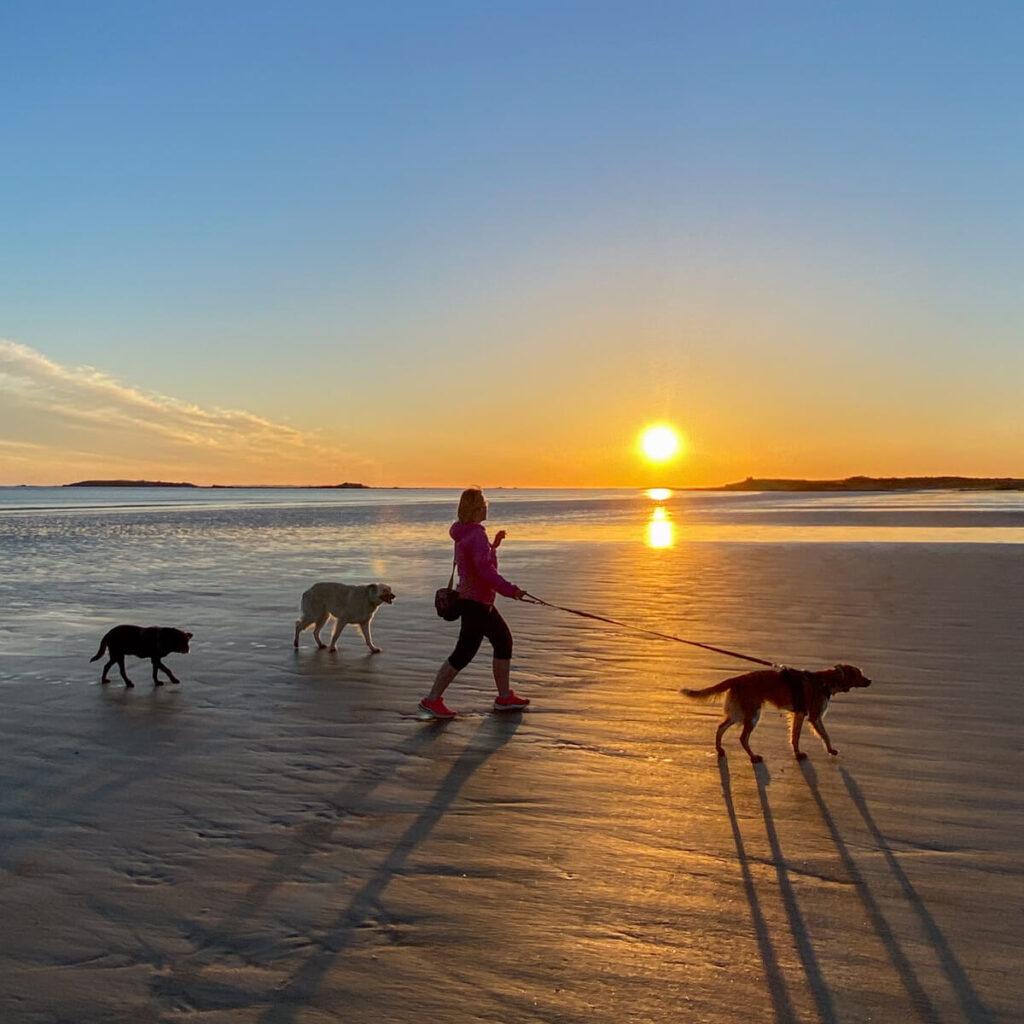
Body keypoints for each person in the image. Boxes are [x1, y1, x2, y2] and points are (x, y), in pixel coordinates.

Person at [420, 487, 529, 720]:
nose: (487, 507)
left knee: (503, 641)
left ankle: (504, 697)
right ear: (477, 508)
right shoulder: (476, 533)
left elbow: (477, 562)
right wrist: (512, 590)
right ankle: (431, 700)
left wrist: (494, 546)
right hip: (476, 602)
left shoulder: (465, 532)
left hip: (475, 600)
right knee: (464, 653)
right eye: (484, 504)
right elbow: (485, 572)